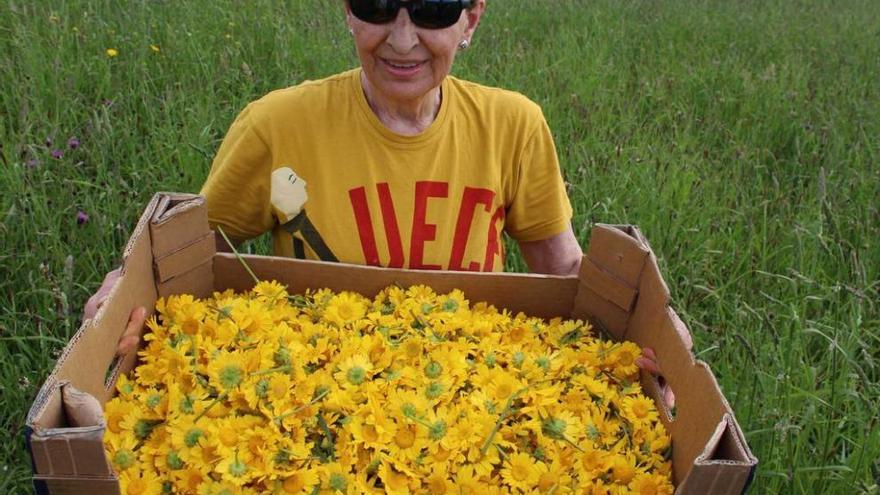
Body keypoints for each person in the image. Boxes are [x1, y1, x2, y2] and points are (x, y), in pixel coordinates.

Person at [84, 0, 684, 403]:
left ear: (471, 19)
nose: (403, 41)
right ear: (347, 12)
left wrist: (646, 322)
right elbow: (188, 259)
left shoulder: (513, 125)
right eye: (376, 6)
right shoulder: (277, 125)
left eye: (432, 10)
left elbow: (562, 267)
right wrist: (126, 288)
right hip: (309, 392)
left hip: (477, 391)